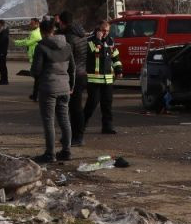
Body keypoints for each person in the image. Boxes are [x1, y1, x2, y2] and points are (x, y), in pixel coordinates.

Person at [30, 18, 74, 163]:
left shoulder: (41, 47)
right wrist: (71, 87)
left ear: (42, 32)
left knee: (49, 121)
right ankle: (66, 151)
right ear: (53, 30)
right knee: (64, 120)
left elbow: (36, 70)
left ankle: (50, 153)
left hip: (48, 87)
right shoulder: (67, 46)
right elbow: (72, 69)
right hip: (65, 88)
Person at [56, 11, 88, 146]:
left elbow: (64, 59)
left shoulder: (67, 38)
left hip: (72, 75)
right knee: (74, 108)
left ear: (62, 22)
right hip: (82, 73)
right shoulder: (81, 34)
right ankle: (72, 135)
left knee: (72, 109)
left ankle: (77, 137)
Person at [85, 20, 122, 134]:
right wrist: (98, 40)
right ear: (98, 30)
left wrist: (118, 69)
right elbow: (94, 52)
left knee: (107, 105)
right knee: (91, 105)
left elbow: (115, 57)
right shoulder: (90, 41)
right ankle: (80, 126)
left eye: (107, 31)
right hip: (94, 79)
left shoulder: (110, 41)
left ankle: (107, 127)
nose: (105, 33)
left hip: (108, 79)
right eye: (103, 30)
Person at [14, 17, 42, 99]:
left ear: (37, 24)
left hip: (35, 57)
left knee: (37, 78)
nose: (30, 25)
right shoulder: (37, 32)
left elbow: (27, 42)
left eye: (32, 23)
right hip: (35, 56)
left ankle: (36, 95)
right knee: (38, 78)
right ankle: (36, 94)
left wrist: (16, 42)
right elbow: (27, 40)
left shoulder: (34, 33)